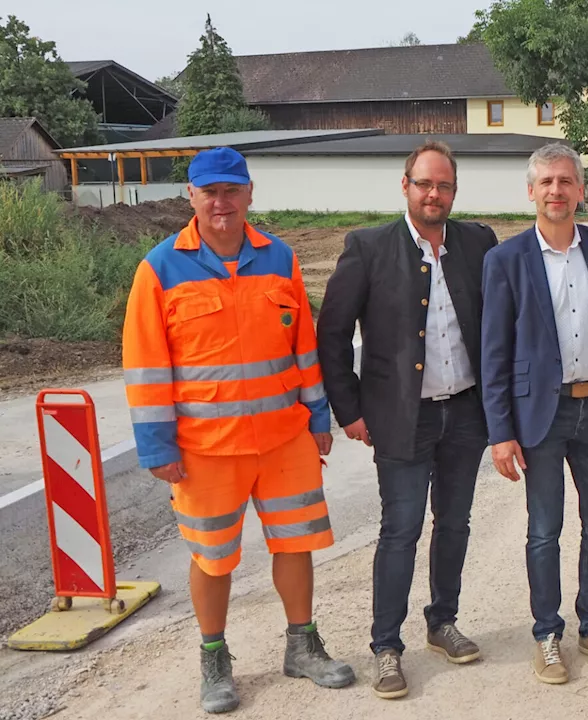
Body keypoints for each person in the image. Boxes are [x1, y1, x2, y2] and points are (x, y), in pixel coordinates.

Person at [122, 147, 354, 714]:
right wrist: (158, 445)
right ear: (192, 197)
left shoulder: (280, 259)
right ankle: (214, 658)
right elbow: (146, 367)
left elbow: (304, 346)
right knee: (213, 558)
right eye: (210, 192)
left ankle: (302, 646)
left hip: (283, 439)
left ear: (250, 194)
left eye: (232, 191)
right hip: (204, 451)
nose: (221, 203)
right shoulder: (159, 269)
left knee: (296, 544)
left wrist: (317, 417)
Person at [316, 141, 497, 699]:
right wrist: (349, 412)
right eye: (424, 184)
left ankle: (442, 623)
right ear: (405, 185)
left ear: (454, 191)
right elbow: (332, 334)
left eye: (443, 185)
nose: (434, 194)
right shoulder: (368, 247)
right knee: (401, 531)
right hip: (402, 420)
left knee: (456, 523)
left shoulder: (478, 241)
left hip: (466, 412)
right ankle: (386, 646)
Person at [480, 142, 588, 685]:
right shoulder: (505, 260)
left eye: (566, 181)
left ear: (580, 189)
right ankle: (546, 634)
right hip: (538, 418)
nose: (556, 191)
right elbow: (494, 352)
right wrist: (500, 433)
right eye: (546, 182)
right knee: (544, 531)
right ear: (531, 191)